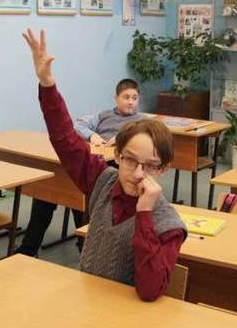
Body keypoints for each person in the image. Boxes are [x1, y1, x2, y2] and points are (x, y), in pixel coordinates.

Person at [22, 29, 186, 301]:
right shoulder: (105, 181)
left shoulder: (168, 224)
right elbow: (66, 141)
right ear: (118, 155)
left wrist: (144, 213)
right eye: (130, 160)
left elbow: (149, 291)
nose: (138, 174)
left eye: (150, 166)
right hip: (87, 302)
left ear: (164, 169)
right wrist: (47, 84)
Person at [16, 79, 146, 257]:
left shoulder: (141, 121)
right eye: (126, 97)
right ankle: (28, 248)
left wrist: (123, 138)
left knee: (78, 192)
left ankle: (85, 246)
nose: (130, 102)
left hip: (111, 169)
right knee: (48, 190)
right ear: (116, 98)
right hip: (92, 160)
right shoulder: (104, 115)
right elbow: (79, 125)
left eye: (134, 98)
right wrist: (92, 136)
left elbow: (145, 138)